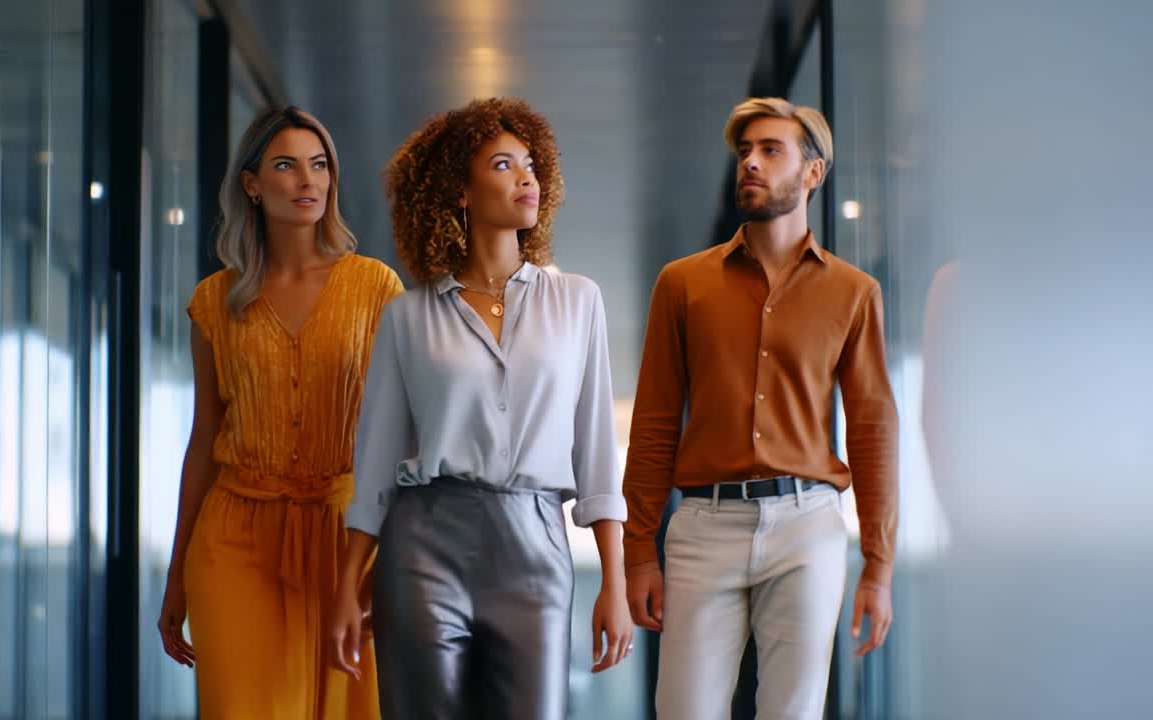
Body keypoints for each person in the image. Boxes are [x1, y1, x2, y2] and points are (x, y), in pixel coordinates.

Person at [328, 97, 634, 720]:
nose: (526, 178)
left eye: (530, 163)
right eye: (502, 164)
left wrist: (615, 583)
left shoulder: (579, 301)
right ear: (459, 192)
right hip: (423, 549)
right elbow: (379, 462)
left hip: (537, 548)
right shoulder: (407, 317)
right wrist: (346, 586)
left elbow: (597, 454)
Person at [623, 97, 899, 719]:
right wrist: (638, 550)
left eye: (770, 150)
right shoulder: (682, 283)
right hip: (702, 527)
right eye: (744, 151)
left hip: (809, 526)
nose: (749, 162)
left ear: (812, 173)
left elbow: (874, 430)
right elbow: (655, 422)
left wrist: (878, 568)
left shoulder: (854, 294)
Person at [157, 107, 401, 719]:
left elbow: (403, 436)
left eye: (319, 166)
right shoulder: (214, 302)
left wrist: (395, 556)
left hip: (345, 540)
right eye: (286, 165)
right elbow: (204, 439)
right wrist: (175, 573)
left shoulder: (376, 289)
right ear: (252, 184)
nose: (306, 181)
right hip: (234, 540)